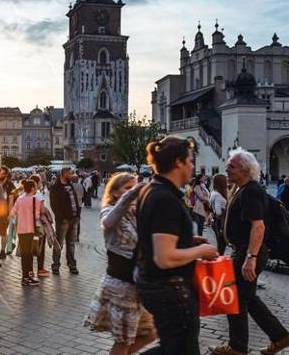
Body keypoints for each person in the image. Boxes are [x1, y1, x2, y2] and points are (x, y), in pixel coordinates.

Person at [135, 136, 219, 355]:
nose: (192, 166)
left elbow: (156, 237)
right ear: (178, 162)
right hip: (170, 289)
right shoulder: (165, 198)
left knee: (178, 347)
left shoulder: (152, 189)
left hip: (159, 286)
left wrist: (187, 241)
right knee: (179, 349)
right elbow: (165, 257)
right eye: (190, 160)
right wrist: (202, 251)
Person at [209, 149, 289, 355]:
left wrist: (251, 257)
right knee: (248, 298)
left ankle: (237, 347)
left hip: (247, 252)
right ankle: (281, 337)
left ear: (245, 170)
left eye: (232, 166)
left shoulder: (251, 191)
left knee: (235, 298)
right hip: (243, 251)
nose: (226, 169)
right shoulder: (242, 189)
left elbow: (258, 226)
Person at [85, 172, 156, 355]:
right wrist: (132, 194)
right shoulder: (109, 209)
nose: (132, 192)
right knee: (123, 341)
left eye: (134, 187)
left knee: (150, 333)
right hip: (121, 284)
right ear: (115, 192)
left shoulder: (137, 212)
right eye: (127, 188)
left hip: (138, 284)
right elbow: (108, 222)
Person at [9, 179, 42, 286]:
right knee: (29, 254)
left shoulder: (20, 198)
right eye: (35, 186)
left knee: (24, 253)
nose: (36, 187)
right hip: (30, 229)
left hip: (21, 230)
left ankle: (26, 276)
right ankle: (27, 277)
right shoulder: (35, 199)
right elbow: (37, 216)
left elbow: (13, 211)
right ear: (32, 188)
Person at [49, 167, 81, 275]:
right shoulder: (55, 187)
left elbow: (74, 200)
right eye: (70, 173)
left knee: (71, 243)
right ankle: (56, 265)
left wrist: (77, 214)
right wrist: (61, 217)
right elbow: (54, 204)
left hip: (74, 218)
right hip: (63, 220)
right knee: (59, 243)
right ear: (64, 174)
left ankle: (72, 265)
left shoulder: (70, 185)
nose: (72, 175)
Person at [0, 166, 16, 259]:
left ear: (7, 175)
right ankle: (10, 243)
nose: (2, 175)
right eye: (0, 173)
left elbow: (11, 199)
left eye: (4, 173)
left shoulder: (10, 185)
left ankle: (2, 251)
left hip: (5, 212)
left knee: (3, 231)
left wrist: (10, 214)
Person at [209, 174, 229, 255]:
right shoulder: (217, 195)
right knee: (221, 246)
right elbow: (218, 212)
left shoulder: (213, 192)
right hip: (220, 222)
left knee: (220, 245)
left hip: (216, 222)